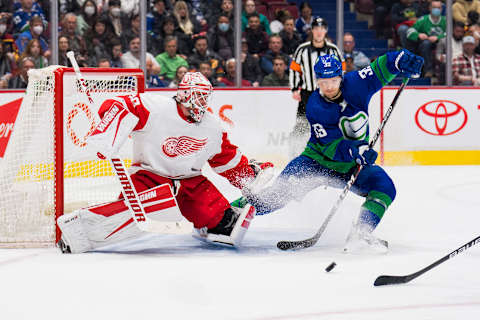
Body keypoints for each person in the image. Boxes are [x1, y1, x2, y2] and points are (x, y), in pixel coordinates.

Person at [57, 72, 273, 253]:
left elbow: (225, 159)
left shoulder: (212, 127)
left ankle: (215, 221)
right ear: (184, 94)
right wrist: (108, 130)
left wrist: (248, 176)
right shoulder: (155, 108)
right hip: (149, 176)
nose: (201, 103)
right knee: (127, 212)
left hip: (191, 183)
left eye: (204, 97)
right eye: (197, 96)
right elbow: (119, 104)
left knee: (225, 223)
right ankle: (78, 233)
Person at [244, 50, 424, 252]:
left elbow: (382, 65)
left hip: (351, 166)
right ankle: (226, 212)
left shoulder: (357, 83)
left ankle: (361, 233)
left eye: (333, 80)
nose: (328, 87)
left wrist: (402, 59)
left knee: (385, 187)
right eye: (323, 82)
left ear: (341, 77)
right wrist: (358, 150)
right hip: (316, 163)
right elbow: (331, 147)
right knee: (274, 199)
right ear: (317, 80)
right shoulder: (315, 106)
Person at [289, 17, 343, 158]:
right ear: (312, 30)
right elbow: (295, 69)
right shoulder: (302, 49)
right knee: (302, 125)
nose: (319, 32)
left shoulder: (333, 49)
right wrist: (295, 88)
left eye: (321, 29)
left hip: (329, 94)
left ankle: (329, 155)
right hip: (307, 93)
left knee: (329, 123)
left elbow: (342, 71)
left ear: (325, 31)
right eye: (316, 29)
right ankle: (295, 154)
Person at [405, 0, 446, 78]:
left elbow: (450, 33)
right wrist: (418, 35)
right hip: (426, 44)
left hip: (442, 44)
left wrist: (438, 37)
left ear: (441, 9)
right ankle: (428, 70)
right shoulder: (423, 19)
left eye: (439, 8)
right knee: (425, 44)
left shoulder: (446, 20)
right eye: (434, 7)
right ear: (430, 8)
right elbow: (409, 32)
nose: (436, 10)